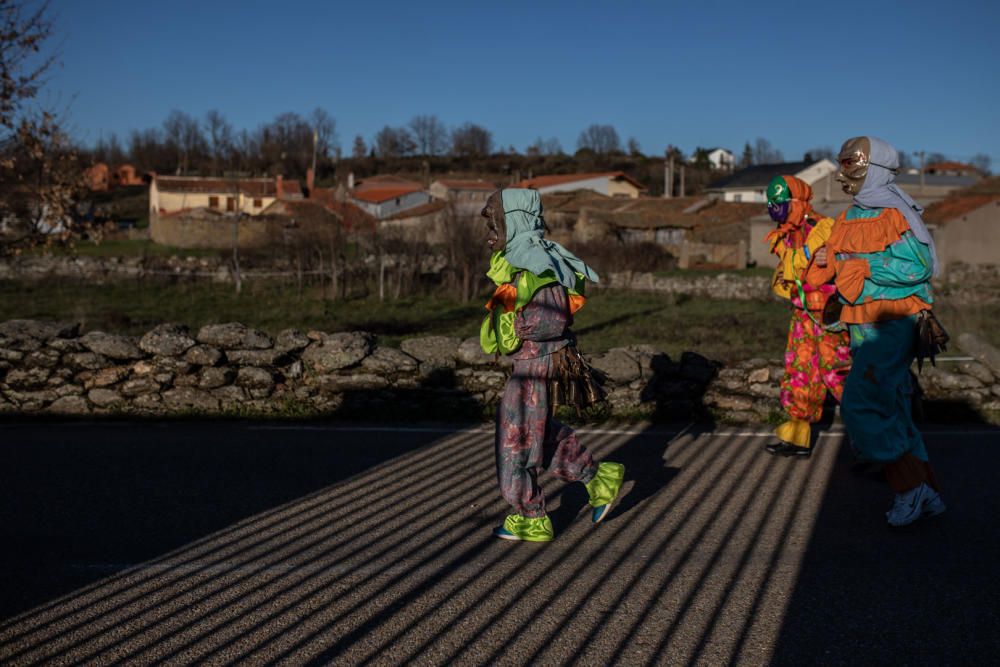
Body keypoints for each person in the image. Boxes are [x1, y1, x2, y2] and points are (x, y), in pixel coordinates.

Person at [806, 136, 945, 527]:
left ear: (875, 169)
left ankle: (909, 488)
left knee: (860, 403)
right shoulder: (848, 217)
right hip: (858, 322)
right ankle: (926, 491)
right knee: (892, 406)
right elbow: (835, 265)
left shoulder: (897, 214)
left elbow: (919, 267)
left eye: (852, 164)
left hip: (892, 321)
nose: (844, 173)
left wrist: (867, 267)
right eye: (842, 164)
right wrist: (829, 258)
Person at [480, 188, 624, 542]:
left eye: (495, 223)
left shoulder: (536, 263)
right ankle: (598, 479)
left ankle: (530, 516)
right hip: (532, 362)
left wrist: (512, 326)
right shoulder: (524, 260)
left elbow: (551, 319)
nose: (489, 233)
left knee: (514, 437)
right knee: (536, 433)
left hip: (536, 364)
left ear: (514, 221)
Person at [763, 175, 851, 457]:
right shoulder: (786, 234)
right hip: (802, 313)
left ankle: (874, 439)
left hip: (829, 315)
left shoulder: (824, 228)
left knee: (838, 373)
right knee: (800, 370)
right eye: (771, 202)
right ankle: (797, 436)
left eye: (780, 202)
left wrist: (833, 258)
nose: (774, 207)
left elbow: (848, 260)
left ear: (798, 201)